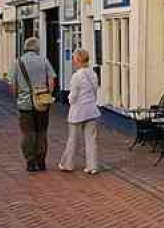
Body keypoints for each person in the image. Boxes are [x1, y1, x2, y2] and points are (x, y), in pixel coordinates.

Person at [9, 38, 57, 172]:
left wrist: (18, 96)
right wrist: (47, 94)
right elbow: (52, 80)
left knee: (28, 133)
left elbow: (12, 86)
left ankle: (30, 162)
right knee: (42, 132)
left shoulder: (18, 63)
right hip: (42, 103)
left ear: (25, 48)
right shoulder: (44, 60)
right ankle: (41, 161)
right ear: (37, 48)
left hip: (25, 104)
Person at [59, 49, 101, 174]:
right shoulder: (93, 74)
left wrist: (69, 99)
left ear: (78, 60)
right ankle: (92, 166)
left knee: (73, 139)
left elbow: (73, 96)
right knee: (91, 139)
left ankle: (67, 164)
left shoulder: (76, 76)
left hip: (78, 112)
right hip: (91, 110)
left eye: (74, 59)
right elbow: (94, 91)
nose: (72, 61)